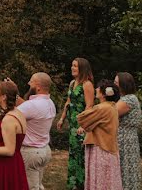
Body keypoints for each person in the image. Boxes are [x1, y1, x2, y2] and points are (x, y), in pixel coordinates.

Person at [77, 80, 123, 190]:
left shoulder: (102, 108)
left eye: (98, 88)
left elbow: (82, 118)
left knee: (100, 179)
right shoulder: (111, 106)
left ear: (104, 93)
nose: (96, 89)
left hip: (101, 148)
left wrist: (89, 106)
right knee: (108, 179)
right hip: (107, 147)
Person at [57, 58, 95, 190]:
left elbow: (90, 106)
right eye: (72, 65)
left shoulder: (87, 84)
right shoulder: (72, 83)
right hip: (72, 123)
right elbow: (68, 102)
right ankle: (73, 184)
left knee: (80, 154)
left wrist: (83, 125)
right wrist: (62, 118)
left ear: (82, 68)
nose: (72, 68)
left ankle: (82, 184)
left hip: (81, 125)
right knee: (73, 153)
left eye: (75, 66)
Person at [15, 73, 56, 190]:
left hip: (31, 152)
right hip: (44, 150)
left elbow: (11, 117)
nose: (28, 83)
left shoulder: (32, 105)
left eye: (31, 81)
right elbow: (29, 108)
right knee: (37, 185)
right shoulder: (50, 103)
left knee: (29, 186)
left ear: (38, 87)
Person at [114, 72, 141, 190]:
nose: (113, 84)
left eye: (115, 82)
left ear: (123, 84)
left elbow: (110, 113)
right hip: (122, 137)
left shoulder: (129, 99)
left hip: (125, 139)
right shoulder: (122, 98)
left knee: (125, 168)